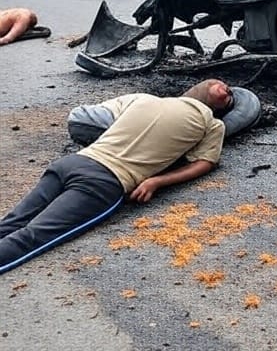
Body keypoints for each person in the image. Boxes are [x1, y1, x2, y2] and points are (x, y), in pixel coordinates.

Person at [0, 79, 262, 275]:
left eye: (229, 96)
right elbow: (205, 162)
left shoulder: (203, 121)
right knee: (29, 235)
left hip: (77, 166)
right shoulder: (152, 101)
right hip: (100, 180)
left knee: (18, 226)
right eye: (224, 84)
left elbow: (204, 162)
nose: (226, 88)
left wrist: (156, 180)